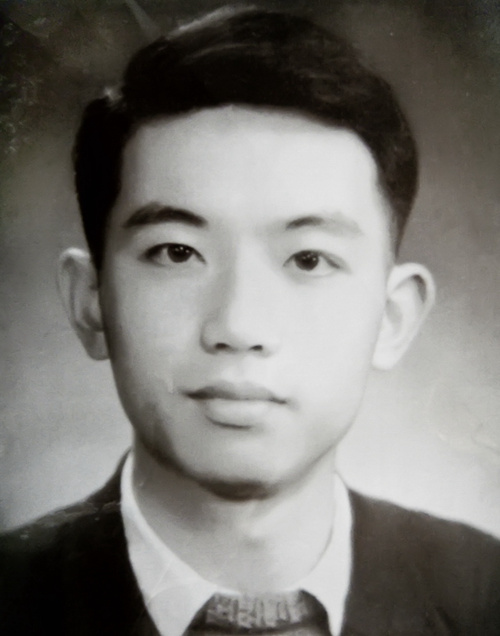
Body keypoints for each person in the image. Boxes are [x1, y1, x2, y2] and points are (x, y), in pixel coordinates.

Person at [1, 6, 499, 635]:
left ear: (393, 317)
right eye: (176, 252)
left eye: (309, 259)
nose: (238, 327)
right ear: (90, 301)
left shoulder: (485, 598)